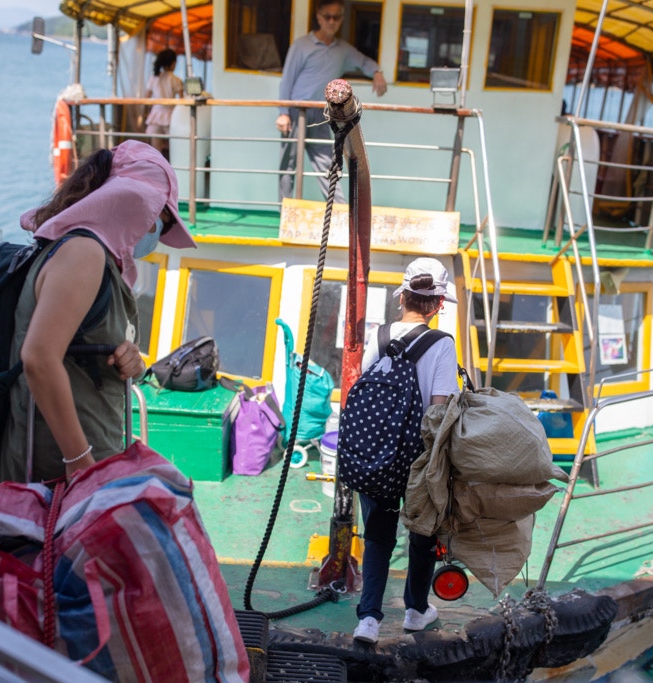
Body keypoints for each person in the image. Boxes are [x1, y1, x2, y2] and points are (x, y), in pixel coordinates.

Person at [0, 140, 197, 484]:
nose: (155, 232)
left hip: (83, 464)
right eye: (158, 219)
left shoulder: (99, 259)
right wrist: (80, 461)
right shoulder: (83, 253)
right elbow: (39, 358)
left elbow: (77, 347)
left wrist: (130, 360)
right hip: (57, 473)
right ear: (131, 203)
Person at [352, 257, 460, 644]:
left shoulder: (379, 335)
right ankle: (415, 610)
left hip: (377, 452)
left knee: (378, 536)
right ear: (438, 304)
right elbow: (440, 407)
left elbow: (364, 385)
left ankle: (368, 620)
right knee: (422, 532)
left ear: (402, 297)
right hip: (419, 457)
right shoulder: (442, 344)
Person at [276, 0, 387, 203]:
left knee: (326, 163)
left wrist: (377, 72)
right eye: (327, 16)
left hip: (321, 113)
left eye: (336, 17)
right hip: (296, 111)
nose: (331, 21)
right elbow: (287, 80)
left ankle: (338, 209)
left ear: (341, 19)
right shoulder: (302, 45)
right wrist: (283, 112)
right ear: (319, 18)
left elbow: (363, 61)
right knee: (288, 163)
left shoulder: (342, 49)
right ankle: (284, 210)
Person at [145, 49, 185, 156]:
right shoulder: (176, 80)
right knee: (175, 146)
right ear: (173, 63)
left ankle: (158, 165)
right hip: (171, 115)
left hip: (155, 115)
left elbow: (146, 98)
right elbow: (182, 100)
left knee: (156, 148)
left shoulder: (154, 78)